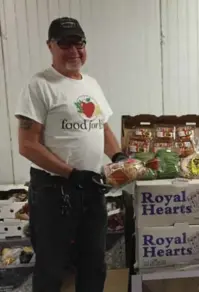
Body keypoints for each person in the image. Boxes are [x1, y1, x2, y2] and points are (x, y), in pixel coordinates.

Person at [15, 17, 127, 292]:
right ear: (50, 46)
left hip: (91, 189)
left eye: (79, 44)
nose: (74, 51)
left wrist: (118, 157)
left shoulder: (91, 84)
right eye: (65, 44)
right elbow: (27, 145)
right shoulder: (39, 85)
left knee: (94, 264)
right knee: (52, 268)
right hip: (54, 192)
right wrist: (72, 174)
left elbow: (101, 127)